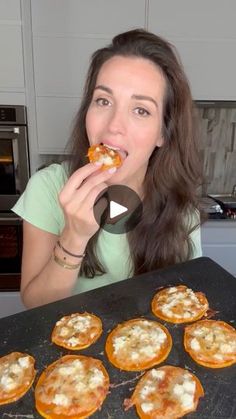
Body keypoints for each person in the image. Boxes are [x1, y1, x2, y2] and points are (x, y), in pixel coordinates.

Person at [12, 28, 203, 309]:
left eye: (141, 110)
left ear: (162, 134)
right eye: (103, 100)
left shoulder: (181, 205)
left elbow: (186, 303)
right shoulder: (48, 187)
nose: (114, 126)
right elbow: (35, 305)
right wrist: (74, 236)